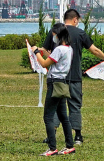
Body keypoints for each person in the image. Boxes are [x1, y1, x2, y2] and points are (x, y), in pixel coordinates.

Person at [37, 8, 104, 146]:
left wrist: (39, 55)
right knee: (75, 105)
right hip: (74, 76)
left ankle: (52, 134)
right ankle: (77, 135)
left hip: (57, 77)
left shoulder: (54, 32)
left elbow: (45, 51)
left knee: (55, 105)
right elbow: (94, 50)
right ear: (75, 19)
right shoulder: (80, 33)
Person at [34, 23, 75, 157]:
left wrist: (35, 53)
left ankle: (52, 148)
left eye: (54, 35)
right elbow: (53, 59)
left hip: (54, 84)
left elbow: (45, 64)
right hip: (62, 83)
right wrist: (44, 53)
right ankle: (70, 146)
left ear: (59, 35)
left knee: (48, 117)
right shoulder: (68, 49)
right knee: (63, 116)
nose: (53, 38)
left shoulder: (59, 49)